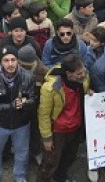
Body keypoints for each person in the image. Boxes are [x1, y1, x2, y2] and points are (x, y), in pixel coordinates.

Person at [0, 46, 36, 182]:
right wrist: (11, 106)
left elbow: (33, 100)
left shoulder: (28, 76)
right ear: (1, 62)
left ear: (18, 61)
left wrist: (24, 103)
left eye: (13, 60)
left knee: (22, 154)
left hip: (21, 124)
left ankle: (20, 177)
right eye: (6, 60)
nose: (10, 64)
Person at [37, 54, 92, 182]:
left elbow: (86, 89)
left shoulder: (83, 79)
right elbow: (43, 114)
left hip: (76, 127)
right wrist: (47, 138)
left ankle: (60, 177)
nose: (83, 75)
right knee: (50, 163)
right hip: (58, 131)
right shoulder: (50, 88)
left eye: (83, 71)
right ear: (68, 74)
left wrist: (89, 91)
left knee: (69, 157)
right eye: (79, 74)